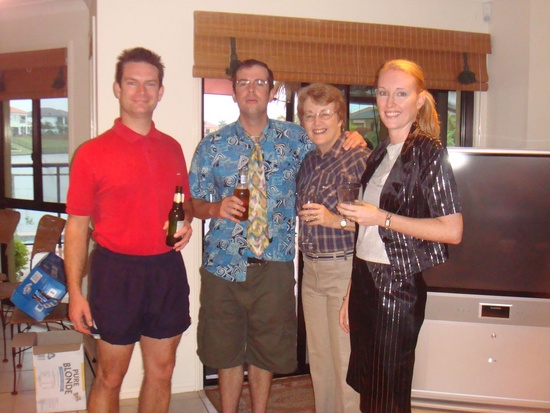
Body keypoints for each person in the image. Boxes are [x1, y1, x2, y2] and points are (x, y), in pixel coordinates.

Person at [189, 59, 365, 413]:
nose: (251, 89)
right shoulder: (212, 145)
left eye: (259, 82)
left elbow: (330, 143)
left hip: (275, 264)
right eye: (243, 82)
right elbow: (192, 202)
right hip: (223, 263)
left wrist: (354, 135)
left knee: (266, 350)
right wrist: (214, 208)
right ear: (234, 92)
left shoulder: (297, 138)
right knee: (225, 352)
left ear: (272, 91)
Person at [65, 47, 194, 413]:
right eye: (132, 83)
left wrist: (187, 223)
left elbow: (184, 204)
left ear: (160, 91)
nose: (141, 91)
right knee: (110, 376)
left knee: (162, 371)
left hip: (166, 271)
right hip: (115, 273)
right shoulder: (91, 153)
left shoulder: (172, 148)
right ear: (117, 89)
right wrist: (75, 293)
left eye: (150, 84)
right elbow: (76, 228)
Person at [337, 59, 463, 413]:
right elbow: (364, 235)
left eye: (401, 94)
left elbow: (452, 230)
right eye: (382, 93)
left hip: (396, 286)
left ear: (419, 100)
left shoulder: (429, 151)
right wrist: (350, 294)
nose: (390, 103)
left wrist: (382, 217)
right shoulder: (379, 152)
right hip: (365, 281)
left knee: (387, 394)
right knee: (368, 387)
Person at [295, 83, 370, 413]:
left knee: (345, 363)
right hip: (311, 271)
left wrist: (333, 220)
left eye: (325, 113)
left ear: (341, 118)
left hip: (344, 270)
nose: (317, 122)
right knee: (320, 363)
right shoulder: (309, 161)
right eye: (309, 115)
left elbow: (378, 224)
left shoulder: (360, 159)